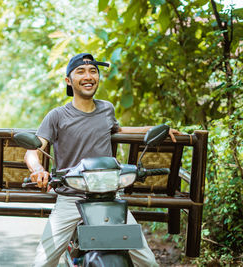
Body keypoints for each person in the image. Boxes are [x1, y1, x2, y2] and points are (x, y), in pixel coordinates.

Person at [24, 53, 179, 267]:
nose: (88, 76)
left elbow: (118, 130)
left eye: (93, 71)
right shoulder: (57, 116)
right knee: (42, 262)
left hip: (109, 198)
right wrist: (38, 169)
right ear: (68, 81)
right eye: (81, 71)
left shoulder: (107, 108)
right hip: (71, 198)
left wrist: (156, 130)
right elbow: (33, 150)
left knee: (149, 263)